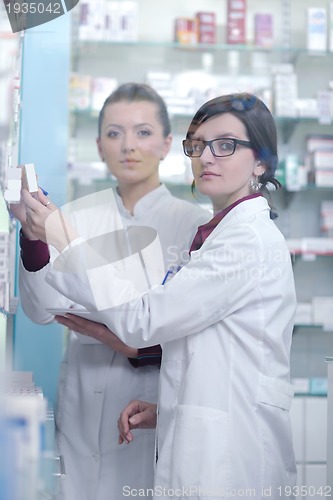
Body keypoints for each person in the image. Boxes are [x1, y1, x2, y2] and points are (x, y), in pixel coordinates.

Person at [21, 92, 297, 499]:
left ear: (260, 160)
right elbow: (206, 346)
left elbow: (144, 319)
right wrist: (169, 411)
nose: (206, 157)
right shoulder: (217, 236)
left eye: (225, 146)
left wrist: (63, 235)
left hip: (230, 457)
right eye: (199, 146)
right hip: (173, 426)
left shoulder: (247, 241)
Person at [11, 83, 209, 500]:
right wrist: (34, 238)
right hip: (84, 395)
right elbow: (43, 310)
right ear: (99, 146)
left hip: (153, 396)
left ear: (167, 143)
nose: (128, 146)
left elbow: (184, 325)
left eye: (142, 132)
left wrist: (130, 341)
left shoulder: (193, 224)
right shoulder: (76, 217)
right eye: (114, 134)